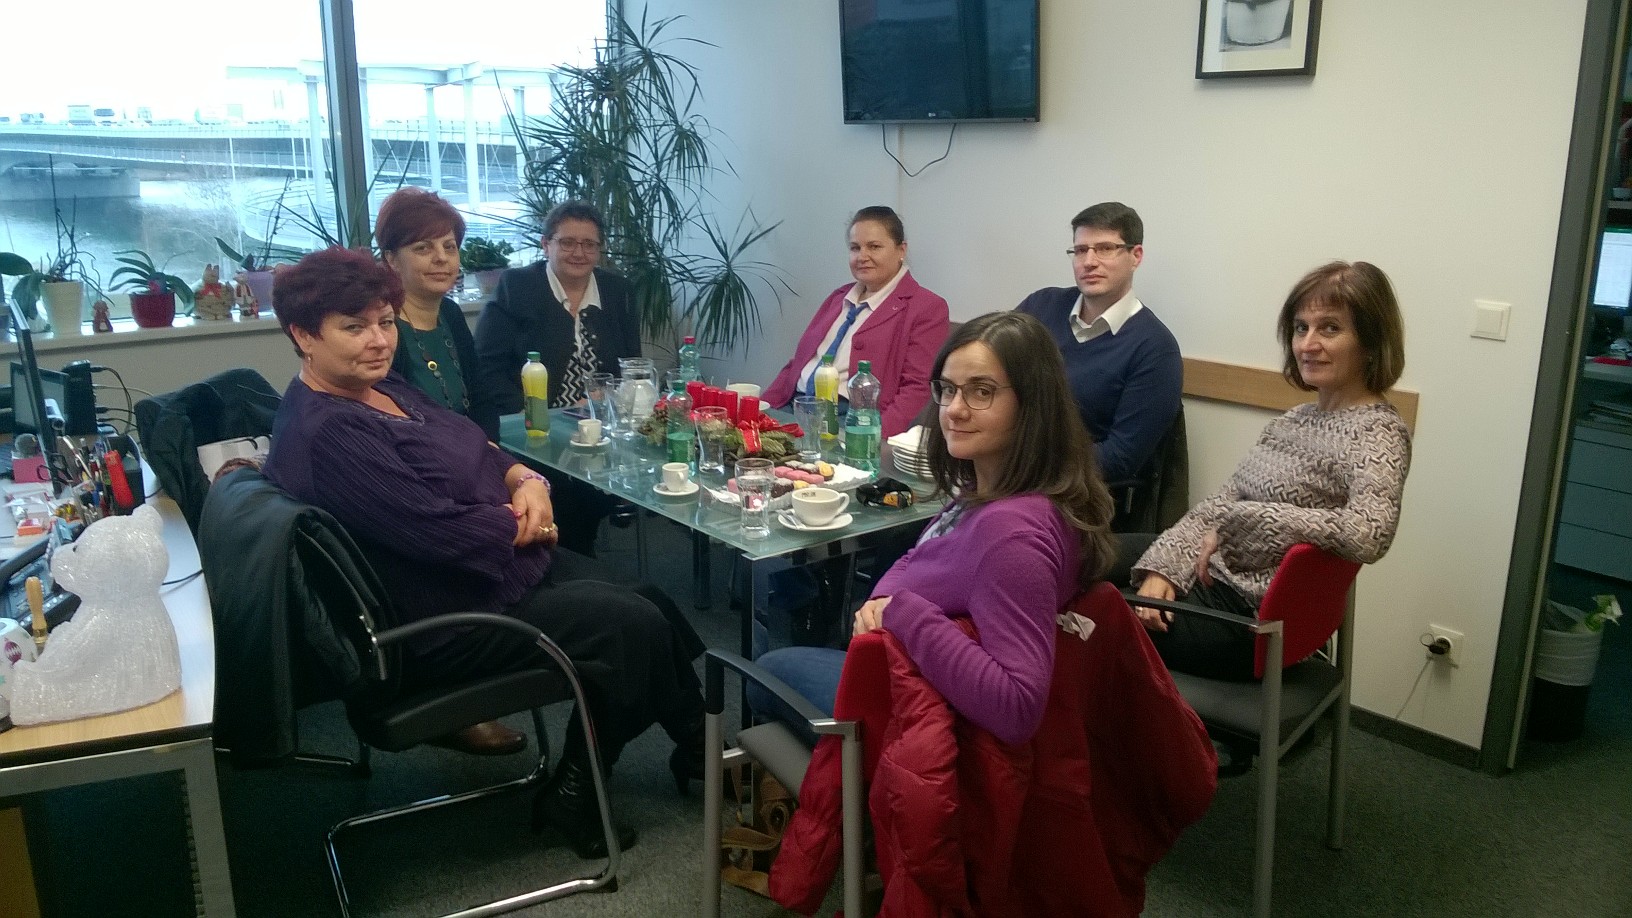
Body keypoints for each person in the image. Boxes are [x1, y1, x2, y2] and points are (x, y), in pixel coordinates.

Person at [260, 247, 708, 860]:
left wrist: (526, 478)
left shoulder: (378, 387)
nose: (379, 340)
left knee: (650, 601)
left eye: (386, 322)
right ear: (304, 336)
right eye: (354, 327)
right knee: (633, 627)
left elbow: (472, 441)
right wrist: (528, 520)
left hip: (492, 568)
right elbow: (439, 533)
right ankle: (593, 784)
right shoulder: (330, 432)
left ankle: (695, 749)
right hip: (441, 618)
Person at [753, 311, 1116, 743]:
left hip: (930, 719)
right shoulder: (993, 487)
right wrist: (885, 597)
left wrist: (904, 613)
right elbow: (925, 551)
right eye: (947, 389)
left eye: (981, 391)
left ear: (1033, 404)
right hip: (919, 671)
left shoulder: (1012, 539)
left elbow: (1018, 708)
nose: (954, 410)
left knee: (765, 672)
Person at [1128, 260, 1411, 682]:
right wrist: (1164, 567)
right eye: (1301, 328)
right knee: (1076, 553)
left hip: (1247, 621)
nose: (1308, 344)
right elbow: (1220, 503)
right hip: (1212, 580)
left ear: (1371, 342)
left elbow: (1370, 532)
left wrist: (1249, 519)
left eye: (1330, 328)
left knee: (1089, 608)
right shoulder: (1294, 420)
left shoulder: (1378, 432)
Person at [1014, 202, 1183, 486]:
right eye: (1081, 250)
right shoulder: (1041, 306)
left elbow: (1120, 458)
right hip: (1004, 468)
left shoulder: (1155, 349)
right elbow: (989, 367)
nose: (1089, 262)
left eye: (1105, 248)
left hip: (1073, 492)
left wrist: (1027, 461)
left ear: (1136, 256)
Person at [763, 206, 949, 439]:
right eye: (855, 248)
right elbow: (799, 364)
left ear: (901, 250)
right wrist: (760, 409)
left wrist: (871, 437)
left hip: (848, 421)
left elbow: (917, 389)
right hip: (793, 406)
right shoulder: (838, 298)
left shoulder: (926, 307)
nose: (862, 256)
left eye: (874, 247)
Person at [470, 200, 640, 438]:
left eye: (589, 244)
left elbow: (631, 366)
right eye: (567, 243)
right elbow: (486, 366)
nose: (579, 253)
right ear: (546, 245)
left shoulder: (618, 291)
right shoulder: (516, 287)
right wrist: (529, 414)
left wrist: (607, 398)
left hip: (603, 423)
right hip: (532, 426)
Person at [376, 187, 480, 417]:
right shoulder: (382, 326)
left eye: (449, 247)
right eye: (423, 248)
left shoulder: (450, 313)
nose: (441, 258)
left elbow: (482, 401)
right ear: (392, 259)